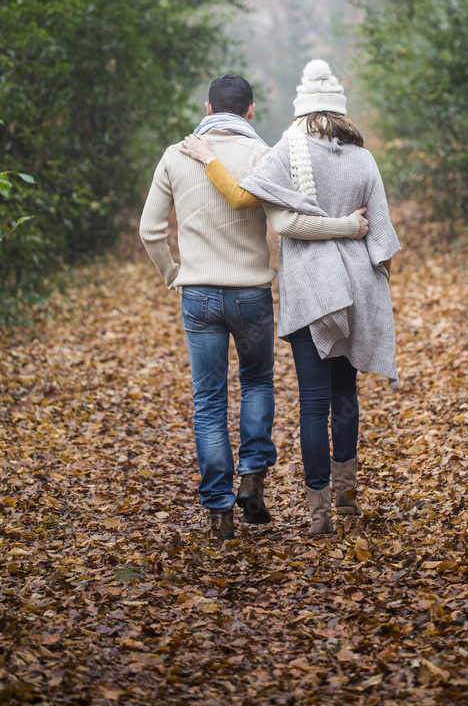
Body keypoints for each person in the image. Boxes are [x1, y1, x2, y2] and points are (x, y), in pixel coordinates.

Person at [139, 73, 368, 541]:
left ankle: (219, 509)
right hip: (251, 293)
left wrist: (174, 274)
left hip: (199, 292)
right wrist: (346, 226)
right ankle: (253, 475)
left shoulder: (174, 155)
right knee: (257, 382)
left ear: (207, 110)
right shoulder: (264, 154)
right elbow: (286, 220)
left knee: (208, 400)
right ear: (250, 111)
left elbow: (150, 231)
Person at [181, 60, 400, 536]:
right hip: (356, 287)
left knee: (313, 403)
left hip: (309, 290)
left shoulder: (286, 151)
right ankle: (345, 497)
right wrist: (363, 258)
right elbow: (381, 240)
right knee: (346, 394)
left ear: (302, 111)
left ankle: (318, 513)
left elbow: (280, 223)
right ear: (340, 112)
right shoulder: (363, 159)